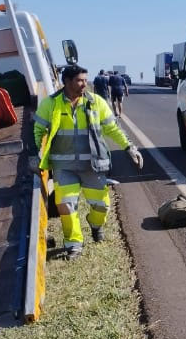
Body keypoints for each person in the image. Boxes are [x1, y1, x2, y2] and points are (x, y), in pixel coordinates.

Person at [34, 65, 144, 260]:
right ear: (66, 82)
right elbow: (38, 131)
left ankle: (95, 224)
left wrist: (130, 148)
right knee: (66, 207)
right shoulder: (50, 104)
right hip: (64, 167)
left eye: (85, 80)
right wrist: (35, 155)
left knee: (101, 206)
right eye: (80, 80)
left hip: (93, 166)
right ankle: (73, 245)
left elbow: (112, 129)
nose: (85, 84)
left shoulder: (96, 102)